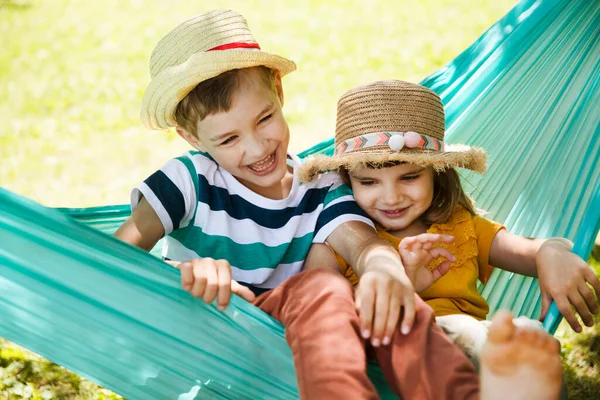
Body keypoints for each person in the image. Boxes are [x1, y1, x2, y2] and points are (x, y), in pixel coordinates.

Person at [113, 10, 489, 399]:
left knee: (383, 295)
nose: (257, 148)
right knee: (323, 285)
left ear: (278, 90)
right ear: (191, 137)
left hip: (314, 337)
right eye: (228, 140)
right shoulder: (186, 182)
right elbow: (113, 257)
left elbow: (362, 245)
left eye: (265, 119)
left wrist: (383, 269)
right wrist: (181, 272)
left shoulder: (321, 184)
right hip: (221, 339)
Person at [299, 79, 600, 373]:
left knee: (528, 347)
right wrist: (403, 286)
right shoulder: (338, 239)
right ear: (347, 180)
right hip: (389, 359)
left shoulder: (460, 225)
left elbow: (526, 251)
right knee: (463, 331)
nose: (391, 197)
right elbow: (317, 309)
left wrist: (550, 252)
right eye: (368, 182)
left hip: (475, 353)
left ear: (437, 172)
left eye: (409, 177)